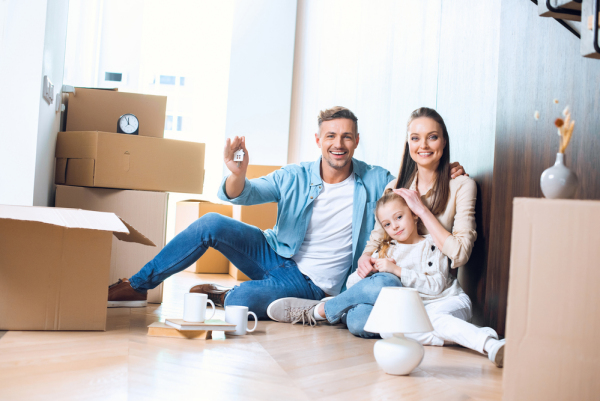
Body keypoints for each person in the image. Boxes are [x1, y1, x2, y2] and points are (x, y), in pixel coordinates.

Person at [107, 106, 465, 320]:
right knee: (210, 223)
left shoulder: (376, 181)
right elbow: (246, 194)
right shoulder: (294, 175)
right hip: (274, 254)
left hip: (309, 283)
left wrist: (443, 167)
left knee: (244, 301)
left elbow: (411, 186)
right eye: (330, 136)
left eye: (346, 137)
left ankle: (223, 295)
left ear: (356, 141)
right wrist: (237, 173)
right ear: (318, 140)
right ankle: (137, 286)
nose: (337, 144)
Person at [267, 107, 504, 366]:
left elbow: (459, 253)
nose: (423, 145)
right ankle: (433, 331)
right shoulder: (395, 187)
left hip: (437, 294)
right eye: (415, 138)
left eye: (432, 137)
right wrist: (366, 258)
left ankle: (323, 309)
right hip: (399, 294)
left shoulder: (461, 185)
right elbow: (377, 237)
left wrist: (421, 210)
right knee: (360, 320)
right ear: (408, 143)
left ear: (444, 141)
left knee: (413, 321)